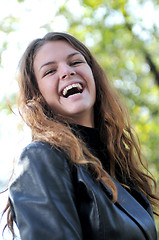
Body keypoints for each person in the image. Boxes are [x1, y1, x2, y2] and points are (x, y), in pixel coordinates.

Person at [2, 32, 159, 240]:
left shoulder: (118, 167)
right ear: (37, 95)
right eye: (50, 71)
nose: (67, 72)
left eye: (75, 62)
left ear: (93, 74)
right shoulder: (40, 158)